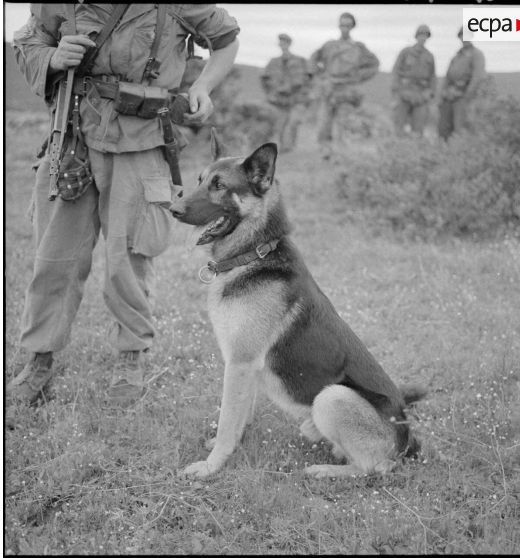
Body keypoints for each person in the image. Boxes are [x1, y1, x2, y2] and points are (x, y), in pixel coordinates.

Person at [7, 4, 240, 408]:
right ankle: (39, 361)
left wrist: (203, 86)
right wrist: (52, 57)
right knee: (54, 258)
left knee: (129, 257)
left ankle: (130, 360)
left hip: (142, 143)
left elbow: (226, 39)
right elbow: (29, 39)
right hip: (72, 138)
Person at [310, 12, 379, 158]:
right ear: (339, 26)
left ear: (352, 27)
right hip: (329, 89)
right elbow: (313, 59)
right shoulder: (329, 46)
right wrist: (321, 75)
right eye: (342, 25)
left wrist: (358, 78)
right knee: (324, 124)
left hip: (347, 91)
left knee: (343, 124)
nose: (345, 28)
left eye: (348, 25)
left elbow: (374, 65)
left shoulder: (358, 48)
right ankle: (325, 153)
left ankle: (341, 155)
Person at [260, 33, 312, 153]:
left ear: (289, 44)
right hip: (279, 101)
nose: (282, 45)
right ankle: (284, 149)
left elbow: (309, 79)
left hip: (296, 99)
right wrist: (270, 94)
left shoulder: (300, 61)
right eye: (281, 42)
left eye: (284, 42)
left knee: (293, 122)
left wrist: (306, 94)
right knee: (280, 125)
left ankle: (289, 148)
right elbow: (264, 79)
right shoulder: (273, 62)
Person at [438, 26, 486, 140]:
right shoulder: (456, 56)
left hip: (463, 97)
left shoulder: (476, 54)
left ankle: (459, 153)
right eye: (462, 35)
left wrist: (467, 95)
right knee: (443, 128)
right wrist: (442, 94)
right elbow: (447, 77)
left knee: (460, 128)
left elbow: (477, 76)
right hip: (449, 96)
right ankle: (444, 153)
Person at [391, 24, 436, 136]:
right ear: (416, 36)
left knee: (418, 129)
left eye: (425, 36)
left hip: (421, 95)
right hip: (404, 93)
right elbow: (396, 72)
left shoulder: (429, 56)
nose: (423, 38)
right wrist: (398, 91)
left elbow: (432, 78)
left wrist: (429, 94)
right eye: (421, 35)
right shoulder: (406, 52)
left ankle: (415, 150)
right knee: (398, 127)